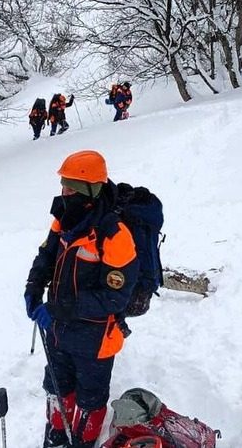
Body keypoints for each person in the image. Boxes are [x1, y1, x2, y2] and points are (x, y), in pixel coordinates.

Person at [24, 150, 139, 448]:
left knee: (90, 398)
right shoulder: (64, 218)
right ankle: (57, 434)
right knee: (56, 387)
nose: (64, 193)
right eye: (63, 186)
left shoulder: (116, 236)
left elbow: (115, 298)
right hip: (59, 331)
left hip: (96, 338)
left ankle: (82, 441)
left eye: (70, 188)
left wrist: (60, 309)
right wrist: (34, 286)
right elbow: (46, 255)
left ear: (90, 191)